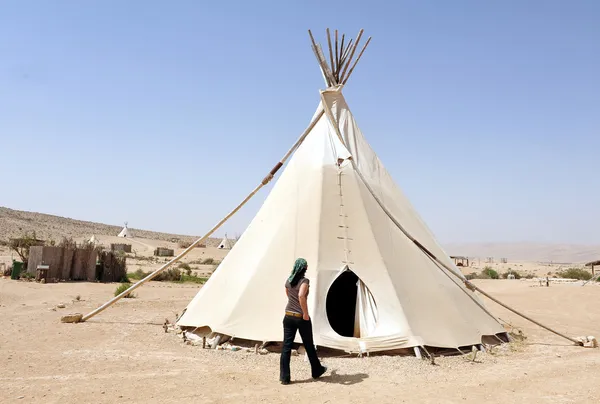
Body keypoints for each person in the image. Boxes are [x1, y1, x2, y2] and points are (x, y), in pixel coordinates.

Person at [279, 258, 327, 385]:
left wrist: (293, 305)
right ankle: (316, 370)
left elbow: (288, 295)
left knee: (286, 347)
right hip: (300, 317)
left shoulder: (288, 281)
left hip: (288, 315)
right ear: (304, 268)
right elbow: (301, 295)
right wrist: (305, 313)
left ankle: (285, 377)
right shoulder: (304, 281)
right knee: (309, 344)